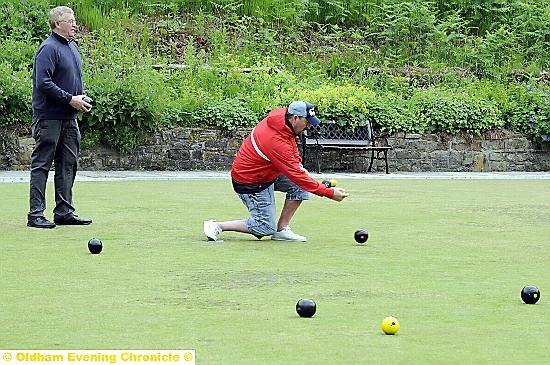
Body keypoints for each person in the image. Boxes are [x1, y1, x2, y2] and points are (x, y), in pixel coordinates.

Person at [204, 101, 349, 242]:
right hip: (251, 181)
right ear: (295, 118)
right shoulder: (275, 140)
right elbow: (295, 173)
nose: (309, 125)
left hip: (268, 172)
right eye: (307, 121)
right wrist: (329, 193)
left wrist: (299, 165)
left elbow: (291, 147)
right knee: (265, 227)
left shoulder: (284, 120)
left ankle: (282, 230)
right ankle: (218, 225)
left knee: (301, 185)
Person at [27, 6, 93, 229]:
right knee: (42, 165)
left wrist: (80, 98)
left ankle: (64, 212)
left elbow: (71, 80)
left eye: (74, 20)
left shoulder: (72, 47)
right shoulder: (48, 48)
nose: (75, 24)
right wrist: (69, 99)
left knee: (68, 164)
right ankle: (35, 214)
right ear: (57, 24)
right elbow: (43, 84)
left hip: (69, 117)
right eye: (70, 20)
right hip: (49, 118)